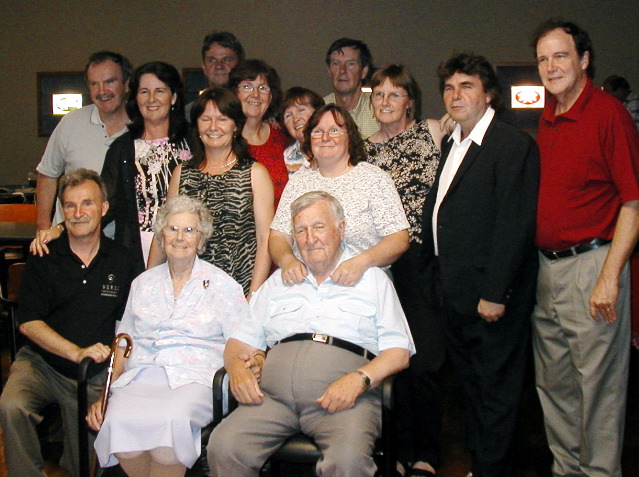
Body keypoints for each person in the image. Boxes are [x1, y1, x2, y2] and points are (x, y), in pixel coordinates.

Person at [207, 191, 415, 476]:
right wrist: (237, 371)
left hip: (345, 401)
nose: (310, 238)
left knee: (348, 462)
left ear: (340, 229)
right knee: (224, 446)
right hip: (272, 400)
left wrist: (359, 380)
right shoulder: (279, 282)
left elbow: (399, 353)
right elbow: (238, 342)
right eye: (301, 231)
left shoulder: (372, 280)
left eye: (319, 227)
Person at [422, 53, 539, 477]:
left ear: (488, 94)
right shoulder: (454, 142)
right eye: (449, 87)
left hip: (491, 298)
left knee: (497, 393)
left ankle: (494, 469)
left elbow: (515, 224)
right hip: (455, 294)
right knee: (471, 389)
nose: (456, 95)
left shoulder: (511, 144)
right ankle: (481, 463)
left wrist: (495, 293)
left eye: (466, 86)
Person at [531, 20, 639, 477]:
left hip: (594, 265)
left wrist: (609, 278)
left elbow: (633, 203)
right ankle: (567, 469)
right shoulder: (549, 116)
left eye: (560, 56)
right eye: (542, 59)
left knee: (598, 388)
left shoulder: (608, 112)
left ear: (584, 60)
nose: (550, 66)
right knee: (554, 383)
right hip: (548, 270)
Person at [87, 195, 249, 476]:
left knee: (169, 432)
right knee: (119, 420)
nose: (179, 237)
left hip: (195, 378)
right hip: (141, 376)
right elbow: (124, 344)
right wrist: (105, 394)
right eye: (172, 229)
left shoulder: (224, 286)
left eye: (189, 230)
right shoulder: (142, 283)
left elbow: (241, 345)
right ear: (161, 236)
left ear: (201, 239)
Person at [0, 169, 139, 477]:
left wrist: (111, 380)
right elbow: (28, 323)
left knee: (87, 454)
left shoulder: (123, 260)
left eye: (87, 204)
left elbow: (130, 328)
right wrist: (76, 352)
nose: (78, 213)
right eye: (70, 205)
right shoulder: (43, 254)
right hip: (41, 363)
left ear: (103, 208)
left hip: (93, 372)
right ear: (62, 212)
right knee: (12, 406)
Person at [364, 64, 445, 477]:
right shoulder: (364, 149)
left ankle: (426, 454)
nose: (385, 102)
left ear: (410, 100)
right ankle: (395, 450)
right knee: (389, 359)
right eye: (378, 95)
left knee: (426, 360)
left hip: (425, 261)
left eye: (394, 94)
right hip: (385, 264)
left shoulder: (431, 130)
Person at [148, 87, 274, 297]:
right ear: (196, 125)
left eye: (222, 119)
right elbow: (164, 233)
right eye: (205, 119)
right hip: (187, 289)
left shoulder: (255, 173)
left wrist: (253, 294)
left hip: (238, 288)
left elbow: (264, 239)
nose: (213, 127)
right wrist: (149, 283)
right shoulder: (182, 173)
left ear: (236, 125)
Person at [269, 103, 409, 288]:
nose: (325, 138)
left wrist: (362, 261)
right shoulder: (298, 181)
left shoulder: (374, 178)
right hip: (306, 285)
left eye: (334, 130)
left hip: (363, 282)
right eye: (317, 132)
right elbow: (278, 237)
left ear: (349, 136)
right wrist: (288, 261)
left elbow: (399, 238)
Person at [100, 61, 192, 268]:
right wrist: (62, 230)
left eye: (160, 91)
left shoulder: (195, 141)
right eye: (144, 92)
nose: (151, 99)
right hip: (136, 250)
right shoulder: (122, 149)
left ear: (174, 97)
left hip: (190, 246)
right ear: (135, 98)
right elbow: (104, 204)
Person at [35, 51, 131, 233]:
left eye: (110, 82)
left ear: (126, 84)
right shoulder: (71, 122)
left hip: (119, 244)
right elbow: (47, 175)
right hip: (68, 238)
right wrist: (43, 227)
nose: (102, 91)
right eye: (95, 84)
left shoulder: (141, 130)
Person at [228, 59, 289, 205]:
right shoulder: (223, 139)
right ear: (234, 93)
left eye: (263, 88)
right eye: (247, 87)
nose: (255, 94)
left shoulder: (283, 137)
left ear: (271, 96)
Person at [323, 38, 379, 138]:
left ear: (364, 71)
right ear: (329, 70)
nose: (342, 70)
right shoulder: (320, 109)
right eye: (336, 64)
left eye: (350, 64)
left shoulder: (378, 107)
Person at [185, 30, 244, 121]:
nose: (219, 66)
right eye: (212, 60)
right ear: (204, 67)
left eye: (227, 60)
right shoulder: (189, 113)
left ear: (239, 65)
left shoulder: (252, 111)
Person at [281, 86, 325, 174]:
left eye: (301, 110)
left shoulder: (335, 148)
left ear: (318, 113)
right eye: (288, 115)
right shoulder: (286, 158)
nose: (295, 119)